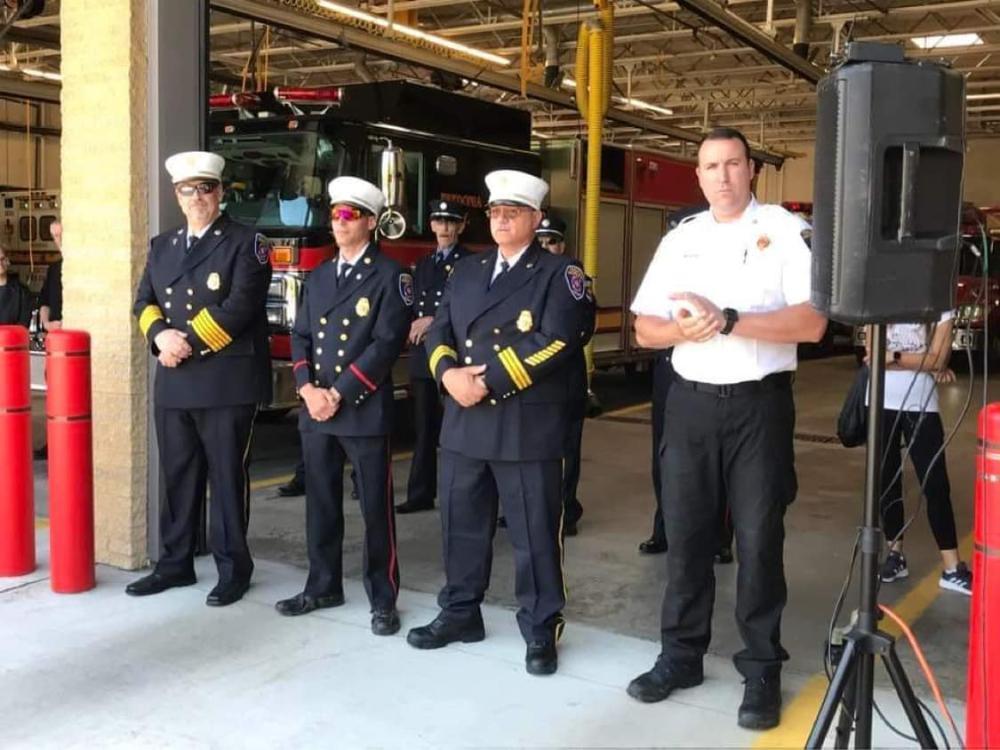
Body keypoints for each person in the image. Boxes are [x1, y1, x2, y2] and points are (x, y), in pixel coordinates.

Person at [627, 127, 826, 730]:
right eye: (711, 166)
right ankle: (680, 656)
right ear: (699, 175)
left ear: (751, 170)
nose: (722, 175)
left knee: (760, 540)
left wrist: (729, 320)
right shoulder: (682, 238)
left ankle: (761, 668)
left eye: (733, 163)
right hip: (690, 405)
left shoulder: (785, 231)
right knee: (686, 534)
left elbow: (813, 323)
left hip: (757, 409)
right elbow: (644, 328)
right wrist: (680, 331)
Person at [406, 170, 594, 676]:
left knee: (534, 535)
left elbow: (559, 339)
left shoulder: (560, 273)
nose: (502, 220)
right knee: (461, 525)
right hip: (464, 420)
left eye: (513, 212)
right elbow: (440, 329)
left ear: (536, 218)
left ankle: (540, 627)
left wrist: (486, 382)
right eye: (495, 211)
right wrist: (448, 375)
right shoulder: (468, 270)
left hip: (524, 424)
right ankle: (460, 612)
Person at [127, 151, 272, 607]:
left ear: (220, 192)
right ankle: (175, 564)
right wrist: (159, 336)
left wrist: (182, 342)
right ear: (177, 196)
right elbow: (144, 302)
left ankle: (233, 569)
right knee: (178, 476)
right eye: (187, 190)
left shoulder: (247, 243)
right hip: (174, 381)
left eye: (205, 188)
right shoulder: (162, 246)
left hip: (225, 381)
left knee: (226, 479)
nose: (196, 198)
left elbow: (240, 307)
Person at [275, 176, 412, 637]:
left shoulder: (391, 276)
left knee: (376, 510)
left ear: (370, 222)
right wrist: (307, 389)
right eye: (334, 214)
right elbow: (301, 336)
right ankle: (322, 586)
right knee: (320, 503)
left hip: (361, 408)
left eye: (349, 215)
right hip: (318, 409)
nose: (339, 222)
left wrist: (339, 393)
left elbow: (386, 343)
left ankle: (383, 598)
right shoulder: (319, 275)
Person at [638, 205, 733, 564]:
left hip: (709, 372)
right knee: (664, 455)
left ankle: (719, 537)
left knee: (717, 462)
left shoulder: (718, 273)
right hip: (669, 370)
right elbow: (646, 322)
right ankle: (664, 527)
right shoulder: (666, 268)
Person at [873, 314, 971, 595]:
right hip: (879, 400)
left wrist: (893, 357)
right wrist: (920, 360)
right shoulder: (882, 297)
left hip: (922, 404)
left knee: (935, 483)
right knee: (887, 481)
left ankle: (952, 568)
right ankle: (895, 554)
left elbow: (937, 360)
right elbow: (872, 353)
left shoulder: (940, 304)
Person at [397, 199, 471, 514]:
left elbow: (466, 306)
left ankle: (463, 496)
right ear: (431, 225)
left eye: (451, 222)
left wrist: (433, 320)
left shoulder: (470, 263)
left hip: (453, 355)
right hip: (423, 355)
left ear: (461, 226)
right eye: (439, 222)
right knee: (424, 428)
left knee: (459, 429)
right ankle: (420, 493)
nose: (444, 228)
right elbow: (412, 304)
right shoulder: (423, 263)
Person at [535, 214, 589, 536]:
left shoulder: (572, 275)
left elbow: (582, 328)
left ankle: (566, 511)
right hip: (532, 379)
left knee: (565, 450)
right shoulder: (526, 276)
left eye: (552, 241)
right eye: (540, 241)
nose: (546, 247)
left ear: (562, 245)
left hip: (565, 378)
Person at [0, 244, 32, 327]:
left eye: (2, 259)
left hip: (13, 335)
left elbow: (23, 325)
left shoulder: (22, 291)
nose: (0, 263)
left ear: (7, 261)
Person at [39, 220, 63, 331]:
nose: (60, 239)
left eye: (62, 234)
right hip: (56, 334)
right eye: (56, 236)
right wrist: (46, 323)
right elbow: (44, 301)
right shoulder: (53, 269)